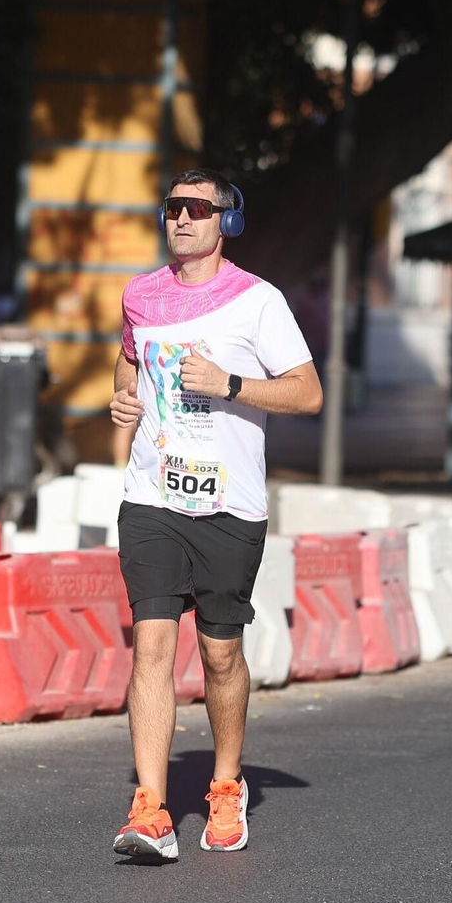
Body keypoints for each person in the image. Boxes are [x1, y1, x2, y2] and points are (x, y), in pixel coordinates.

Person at [108, 168, 323, 861]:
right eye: (173, 207)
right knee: (152, 645)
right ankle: (151, 807)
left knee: (220, 653)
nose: (182, 218)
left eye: (198, 208)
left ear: (226, 221)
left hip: (230, 503)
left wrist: (230, 384)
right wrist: (123, 400)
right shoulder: (140, 295)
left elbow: (307, 393)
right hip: (153, 498)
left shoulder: (258, 302)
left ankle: (225, 786)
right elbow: (126, 363)